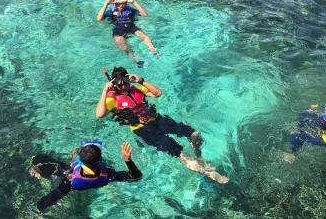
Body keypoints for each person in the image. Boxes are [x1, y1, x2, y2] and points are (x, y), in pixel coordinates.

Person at [95, 66, 229, 184]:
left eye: (126, 81)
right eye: (120, 83)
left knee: (194, 133)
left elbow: (157, 93)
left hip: (158, 120)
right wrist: (105, 91)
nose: (124, 85)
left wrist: (141, 80)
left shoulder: (137, 88)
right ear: (114, 84)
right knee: (180, 153)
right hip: (144, 130)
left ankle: (199, 157)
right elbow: (99, 114)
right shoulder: (112, 99)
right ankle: (211, 173)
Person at [30, 141, 142, 213]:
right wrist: (128, 160)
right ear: (100, 160)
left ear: (80, 161)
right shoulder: (108, 174)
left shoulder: (70, 180)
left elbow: (52, 197)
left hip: (74, 179)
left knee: (50, 164)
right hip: (96, 176)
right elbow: (136, 177)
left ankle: (40, 170)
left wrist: (39, 208)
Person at [96, 0, 158, 68]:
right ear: (115, 4)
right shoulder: (111, 12)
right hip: (118, 30)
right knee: (121, 45)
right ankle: (137, 60)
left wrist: (133, 2)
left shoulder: (131, 10)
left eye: (124, 2)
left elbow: (145, 14)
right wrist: (106, 3)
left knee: (143, 35)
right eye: (119, 3)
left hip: (131, 27)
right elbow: (99, 19)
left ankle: (152, 49)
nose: (122, 5)